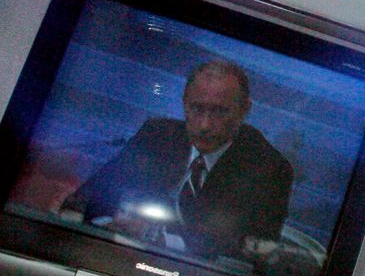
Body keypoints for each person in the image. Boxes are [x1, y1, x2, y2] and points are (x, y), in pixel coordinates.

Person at [62, 60, 293, 262]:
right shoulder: (156, 134)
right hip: (119, 260)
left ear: (244, 110)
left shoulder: (270, 169)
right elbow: (88, 197)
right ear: (184, 103)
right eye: (196, 108)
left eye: (219, 112)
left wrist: (162, 240)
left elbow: (255, 250)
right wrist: (105, 224)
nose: (204, 125)